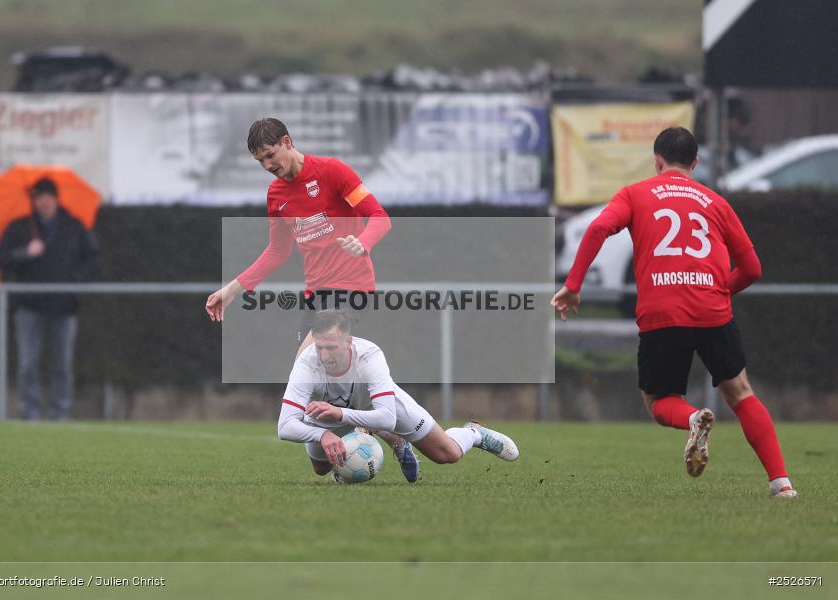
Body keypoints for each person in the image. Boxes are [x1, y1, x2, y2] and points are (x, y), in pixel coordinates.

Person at [551, 127, 797, 499]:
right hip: (713, 309)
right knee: (741, 391)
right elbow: (752, 268)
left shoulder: (636, 193)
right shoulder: (714, 201)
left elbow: (600, 227)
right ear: (695, 163)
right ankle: (782, 484)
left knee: (659, 401)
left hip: (662, 310)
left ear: (657, 160)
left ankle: (692, 418)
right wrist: (715, 291)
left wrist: (574, 284)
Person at [203, 118, 422, 480]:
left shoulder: (332, 172)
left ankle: (371, 437)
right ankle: (385, 439)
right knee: (314, 391)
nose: (268, 166)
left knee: (310, 363)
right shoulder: (276, 195)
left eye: (271, 156)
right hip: (315, 296)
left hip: (351, 287)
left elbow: (379, 217)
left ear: (287, 142)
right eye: (260, 162)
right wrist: (232, 289)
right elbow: (276, 252)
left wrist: (362, 242)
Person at [277, 310, 519, 481]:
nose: (325, 354)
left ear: (349, 341)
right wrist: (324, 435)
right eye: (319, 347)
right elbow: (285, 426)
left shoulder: (370, 356)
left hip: (377, 406)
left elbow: (387, 418)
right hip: (328, 416)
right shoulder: (307, 365)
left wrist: (341, 414)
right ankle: (379, 437)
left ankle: (474, 434)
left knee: (448, 454)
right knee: (321, 468)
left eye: (332, 347)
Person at [0, 177, 99, 420]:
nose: (44, 201)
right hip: (28, 306)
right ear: (34, 200)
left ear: (56, 198)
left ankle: (60, 412)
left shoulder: (73, 226)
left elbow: (92, 259)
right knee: (28, 364)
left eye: (48, 196)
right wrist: (24, 253)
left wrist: (74, 281)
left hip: (64, 306)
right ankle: (30, 412)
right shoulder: (20, 227)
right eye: (39, 197)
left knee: (62, 365)